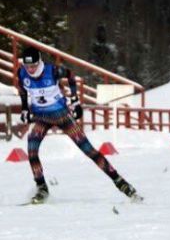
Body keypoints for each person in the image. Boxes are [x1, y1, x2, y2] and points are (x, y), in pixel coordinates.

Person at [16, 46, 139, 204]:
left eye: (33, 66)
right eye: (28, 67)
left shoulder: (52, 71)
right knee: (32, 150)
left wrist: (75, 101)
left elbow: (70, 75)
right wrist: (25, 108)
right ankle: (42, 188)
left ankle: (121, 183)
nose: (31, 70)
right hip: (41, 117)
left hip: (62, 116)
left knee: (88, 150)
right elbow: (22, 90)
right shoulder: (22, 73)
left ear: (39, 62)